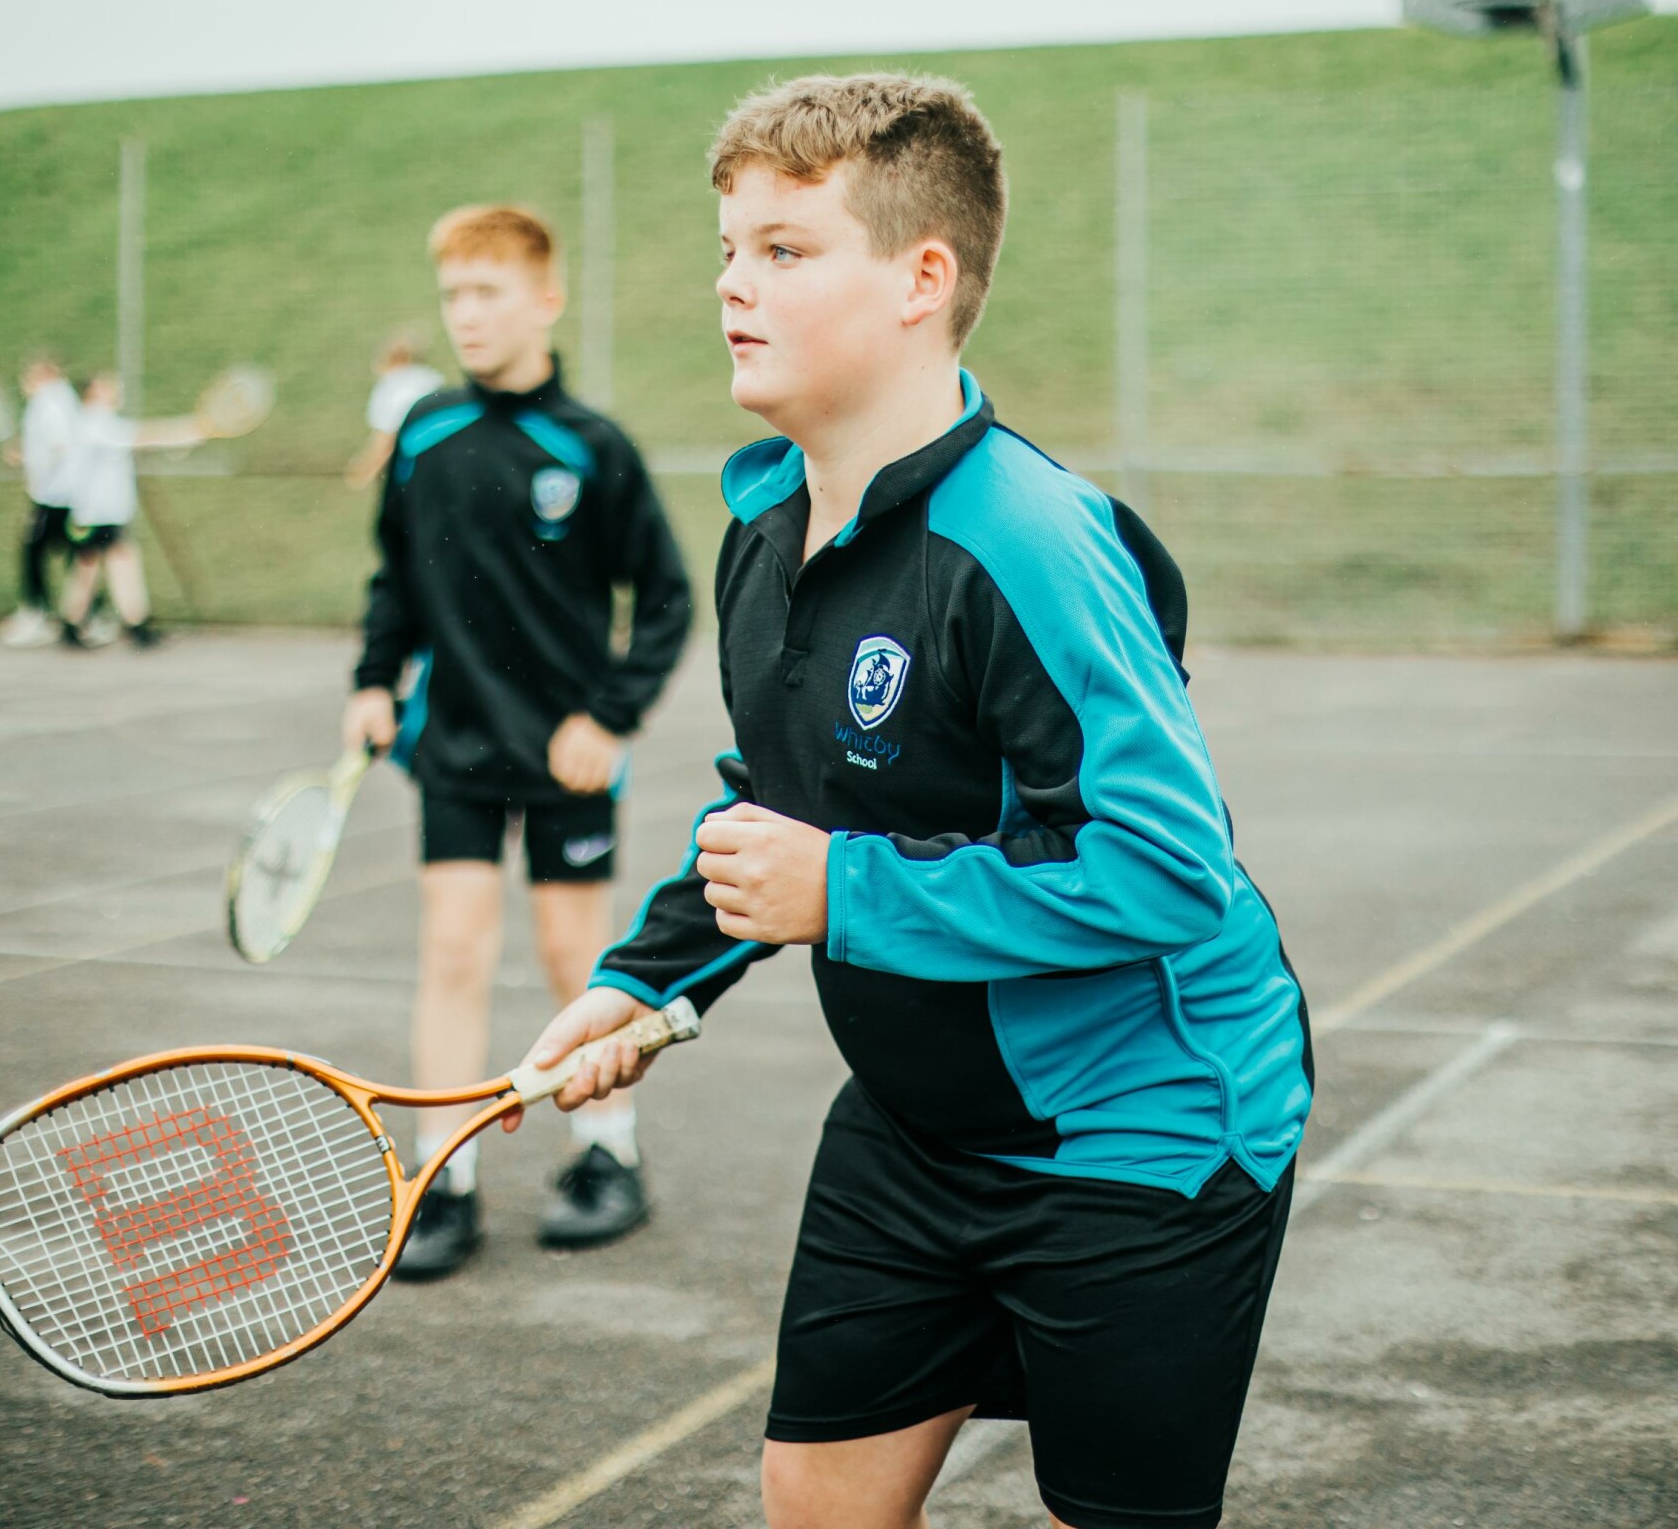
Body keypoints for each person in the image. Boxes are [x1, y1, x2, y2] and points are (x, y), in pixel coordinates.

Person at [506, 75, 1312, 1529]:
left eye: (785, 250)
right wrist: (641, 982)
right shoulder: (764, 527)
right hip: (914, 1128)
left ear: (921, 279)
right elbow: (778, 807)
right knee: (812, 1500)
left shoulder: (1028, 540)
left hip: (1137, 1132)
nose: (732, 284)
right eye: (729, 250)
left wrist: (845, 894)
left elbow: (1165, 868)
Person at [342, 204, 692, 1278]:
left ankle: (607, 1154)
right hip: (452, 744)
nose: (467, 314)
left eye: (488, 292)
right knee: (452, 949)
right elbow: (397, 578)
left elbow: (666, 599)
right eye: (453, 294)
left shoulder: (592, 448)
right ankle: (440, 1178)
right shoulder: (423, 434)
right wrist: (372, 680)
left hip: (565, 756)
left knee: (572, 958)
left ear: (546, 299)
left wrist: (610, 719)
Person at [55, 371, 202, 650]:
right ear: (92, 392)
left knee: (113, 565)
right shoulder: (93, 423)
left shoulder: (101, 422)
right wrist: (187, 430)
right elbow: (141, 436)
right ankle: (90, 627)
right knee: (92, 569)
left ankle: (131, 626)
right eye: (107, 385)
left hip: (103, 516)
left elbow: (135, 436)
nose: (115, 388)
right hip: (92, 516)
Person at [0, 353, 80, 647]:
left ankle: (37, 613)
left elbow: (58, 446)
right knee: (72, 554)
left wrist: (30, 462)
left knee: (33, 552)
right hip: (65, 495)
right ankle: (86, 612)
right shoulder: (62, 400)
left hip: (53, 497)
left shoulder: (48, 402)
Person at [346, 333, 442, 490]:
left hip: (411, 471)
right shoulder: (432, 379)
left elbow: (385, 442)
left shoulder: (392, 386)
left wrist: (361, 476)